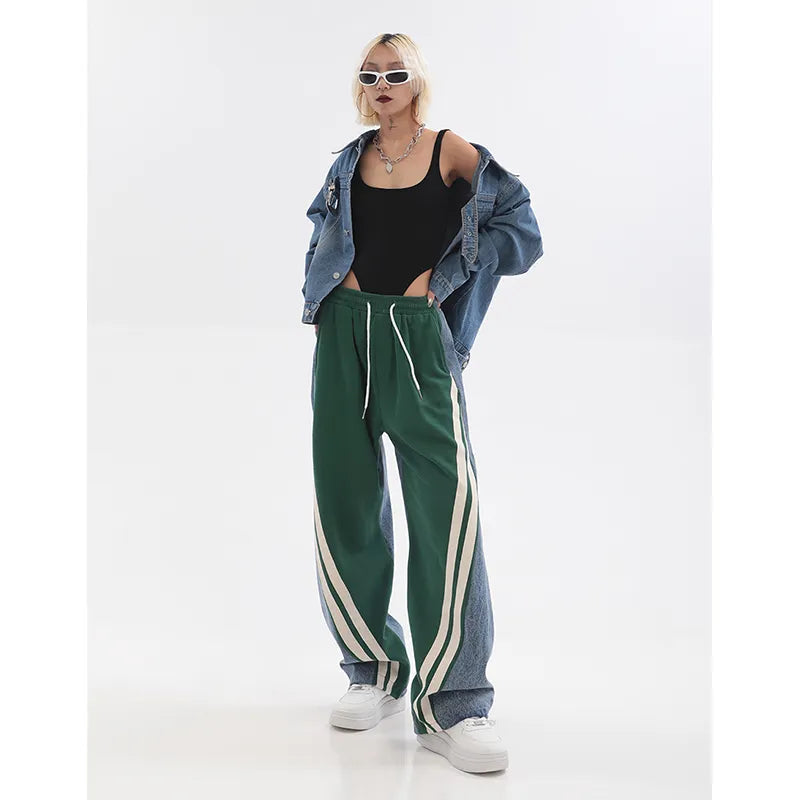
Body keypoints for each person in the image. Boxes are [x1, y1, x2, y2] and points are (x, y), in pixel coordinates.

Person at [303, 32, 543, 774]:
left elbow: (521, 230)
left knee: (445, 506)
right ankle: (372, 669)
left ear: (416, 81)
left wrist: (441, 282)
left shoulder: (449, 150)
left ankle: (455, 703)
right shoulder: (350, 160)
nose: (383, 83)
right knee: (345, 500)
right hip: (345, 333)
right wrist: (330, 290)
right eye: (371, 74)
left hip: (414, 338)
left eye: (396, 72)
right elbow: (323, 229)